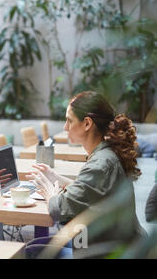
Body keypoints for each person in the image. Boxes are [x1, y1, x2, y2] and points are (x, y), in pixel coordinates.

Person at [26, 91, 146, 252]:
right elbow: (90, 192)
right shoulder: (106, 154)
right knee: (37, 245)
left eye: (69, 120)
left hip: (109, 252)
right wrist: (55, 177)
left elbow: (57, 209)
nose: (65, 127)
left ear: (87, 124)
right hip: (115, 244)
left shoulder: (101, 164)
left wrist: (49, 191)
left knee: (32, 251)